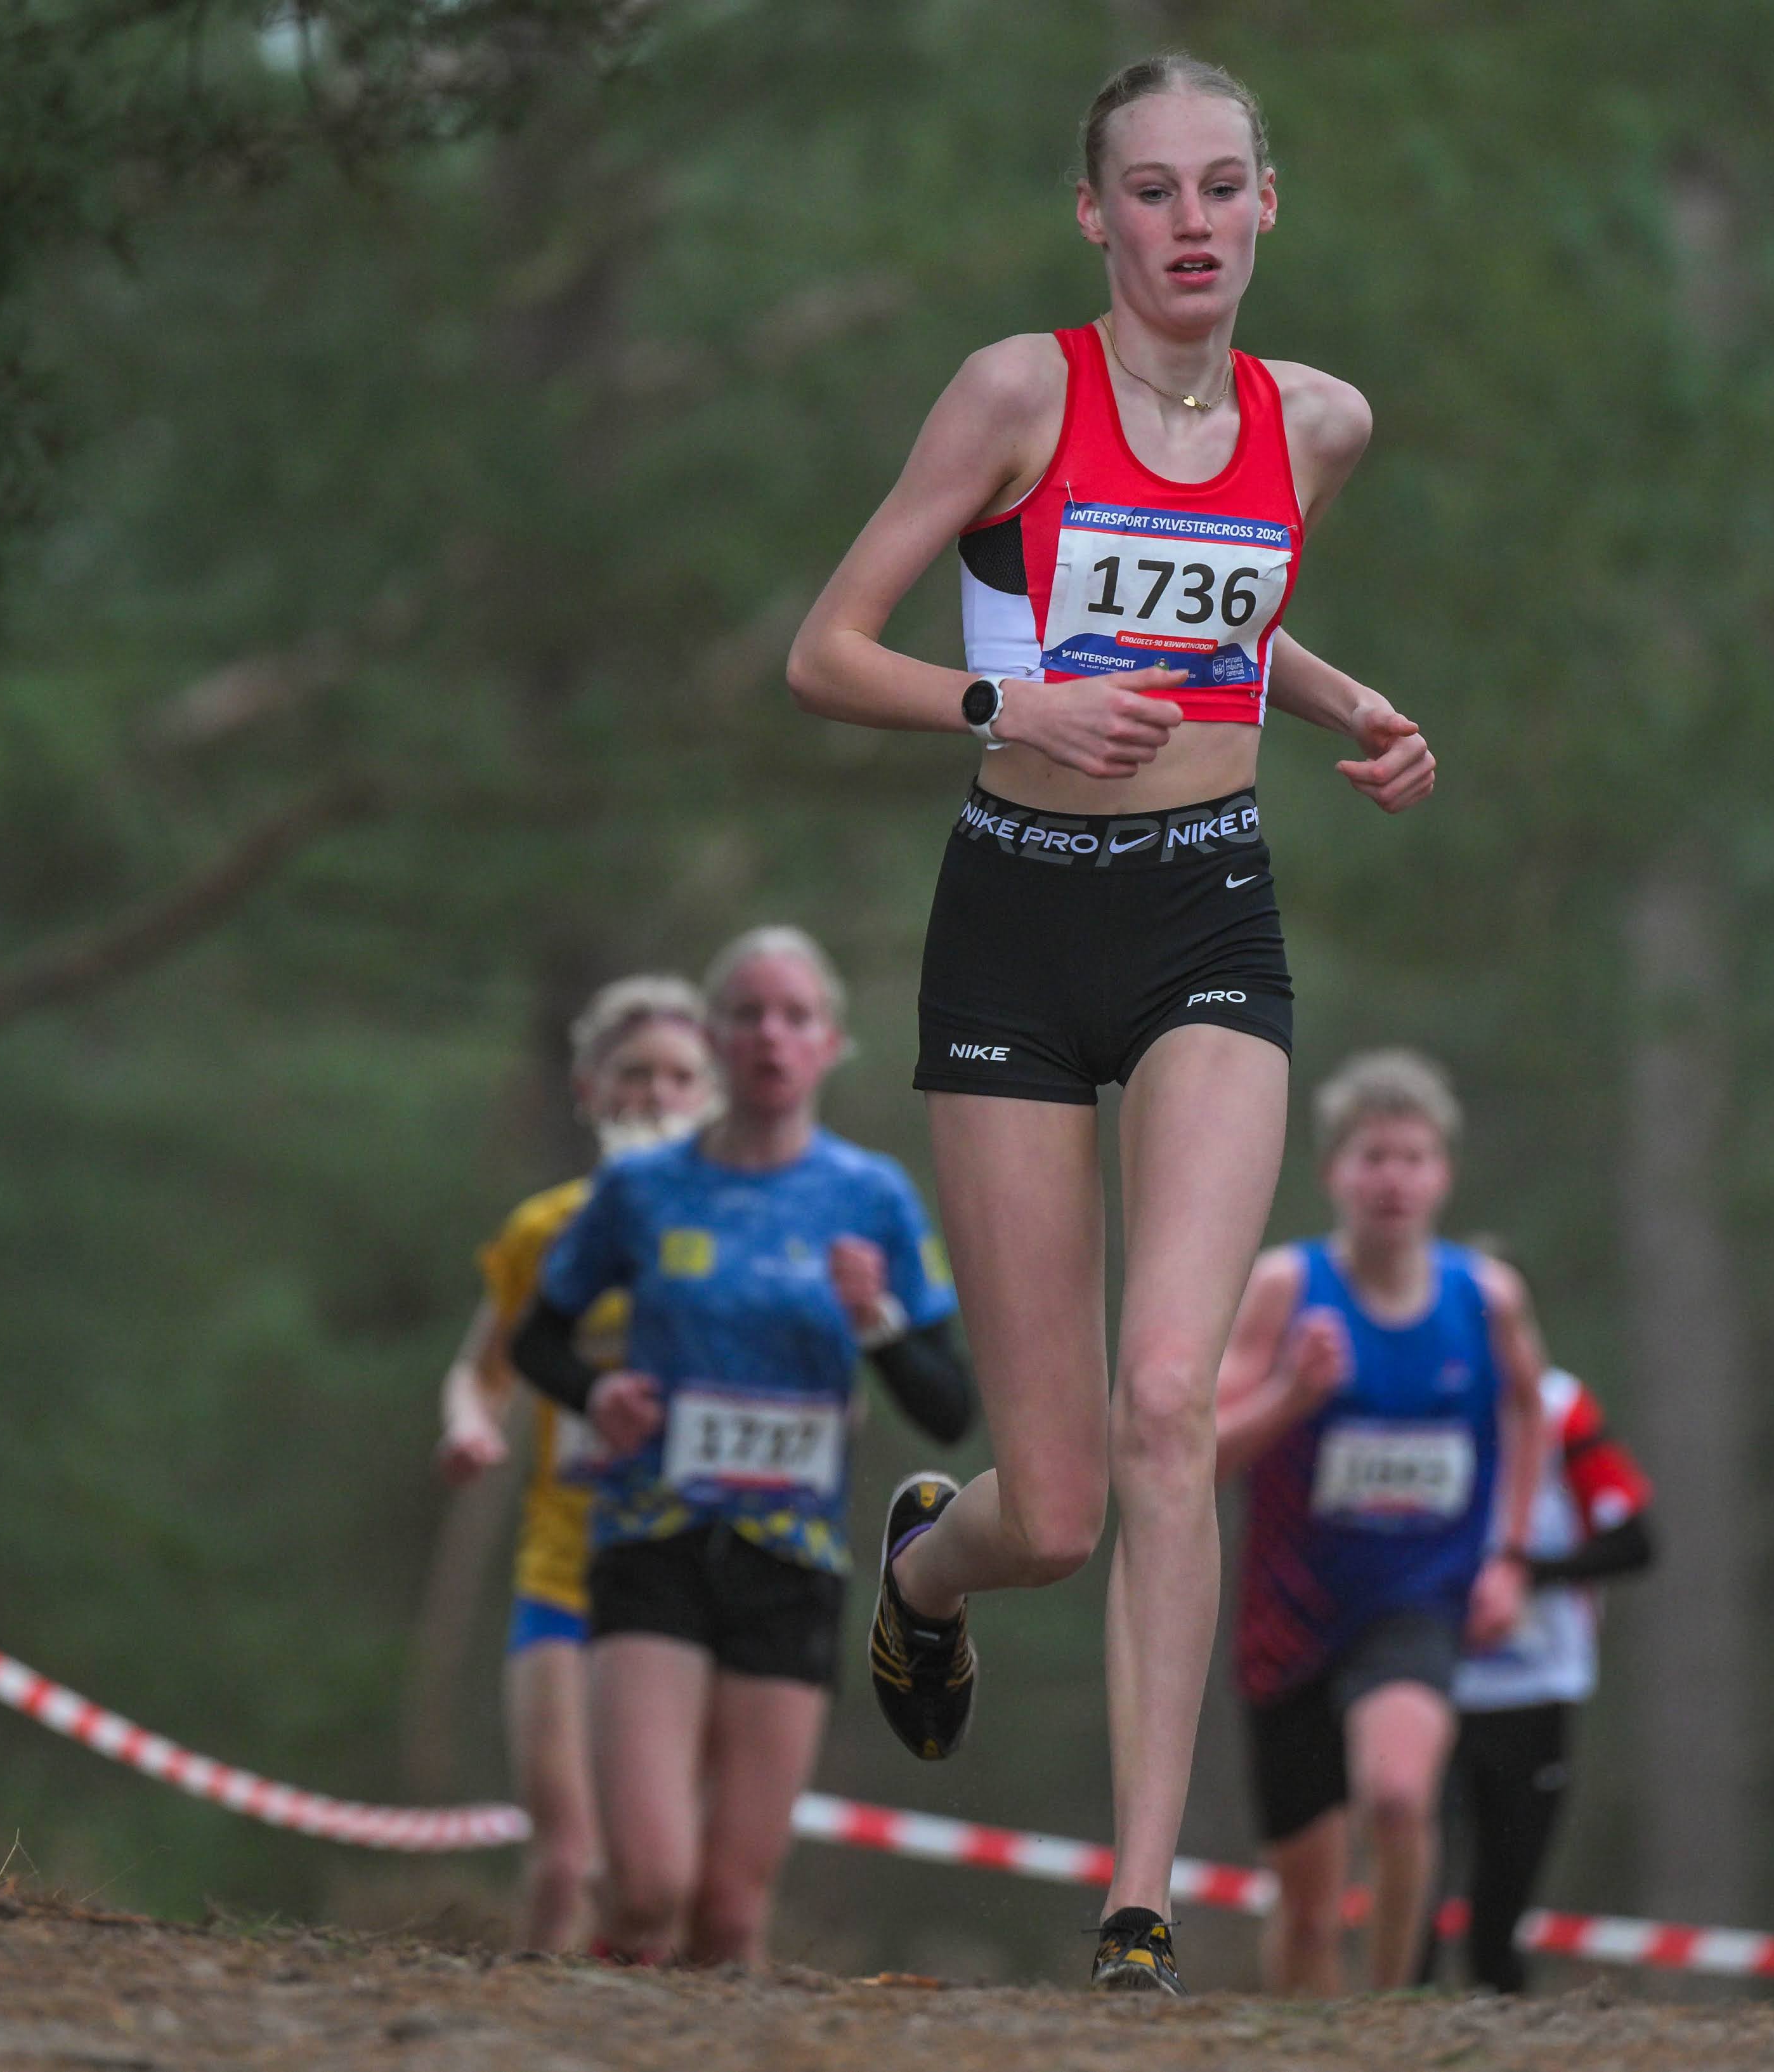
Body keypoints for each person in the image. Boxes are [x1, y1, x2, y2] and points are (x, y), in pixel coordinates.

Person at [780, 53, 1437, 1994]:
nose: (1190, 223)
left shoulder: (1314, 422)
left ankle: (1139, 1902)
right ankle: (927, 1562)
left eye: (1223, 186)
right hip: (1006, 922)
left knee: (1175, 1398)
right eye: (1150, 191)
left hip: (1204, 915)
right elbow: (822, 652)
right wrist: (1009, 711)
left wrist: (1341, 705)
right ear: (1095, 214)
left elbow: (1222, 615)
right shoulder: (1015, 392)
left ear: (1267, 204)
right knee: (1051, 1504)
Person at [505, 928, 978, 1969]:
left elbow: (950, 1410)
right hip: (650, 1545)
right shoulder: (640, 1193)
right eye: (749, 1014)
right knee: (647, 1889)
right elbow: (533, 1337)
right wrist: (600, 1389)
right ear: (713, 1039)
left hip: (792, 1566)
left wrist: (880, 1324)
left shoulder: (870, 1199)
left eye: (795, 1016)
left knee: (724, 1918)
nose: (771, 1035)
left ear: (832, 1043)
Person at [1213, 1050, 1547, 1994]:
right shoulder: (1286, 1288)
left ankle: (1390, 2018)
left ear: (1442, 1173)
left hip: (1417, 1602)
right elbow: (1200, 1453)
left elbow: (1530, 1410)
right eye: (1373, 1157)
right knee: (1311, 1912)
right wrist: (1289, 1395)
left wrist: (1510, 1555)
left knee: (1400, 1797)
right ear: (1334, 1173)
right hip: (1289, 1621)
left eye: (1412, 1157)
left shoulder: (1485, 1299)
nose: (1393, 1179)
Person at [434, 974, 720, 1950]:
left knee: (668, 1880)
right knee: (568, 1862)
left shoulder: (761, 1228)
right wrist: (474, 1426)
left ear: (716, 1093)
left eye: (683, 1075)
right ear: (588, 1090)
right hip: (567, 1573)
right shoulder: (544, 1229)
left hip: (710, 1582)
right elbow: (482, 1372)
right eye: (633, 1073)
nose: (658, 1095)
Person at [1418, 1361, 1655, 1995]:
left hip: (1534, 1686)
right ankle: (1388, 2019)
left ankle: (1503, 2025)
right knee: (1415, 1870)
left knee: (1502, 1898)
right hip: (1422, 1679)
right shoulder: (1414, 1389)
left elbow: (1634, 1543)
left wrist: (1525, 1570)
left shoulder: (1559, 1406)